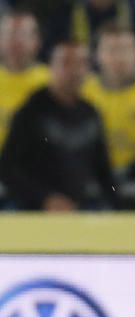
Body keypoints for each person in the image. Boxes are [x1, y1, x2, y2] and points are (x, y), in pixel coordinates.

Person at [0, 40, 117, 211]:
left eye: (81, 63)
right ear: (51, 67)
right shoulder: (31, 111)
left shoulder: (91, 113)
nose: (74, 70)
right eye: (66, 63)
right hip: (30, 212)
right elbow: (7, 168)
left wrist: (118, 209)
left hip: (76, 209)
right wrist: (45, 199)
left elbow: (103, 170)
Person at [81, 23, 135, 174]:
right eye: (111, 50)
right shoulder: (84, 91)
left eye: (126, 50)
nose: (119, 57)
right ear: (96, 55)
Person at [0, 10, 49, 152]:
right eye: (9, 34)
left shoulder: (52, 82)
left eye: (23, 34)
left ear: (38, 41)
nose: (16, 42)